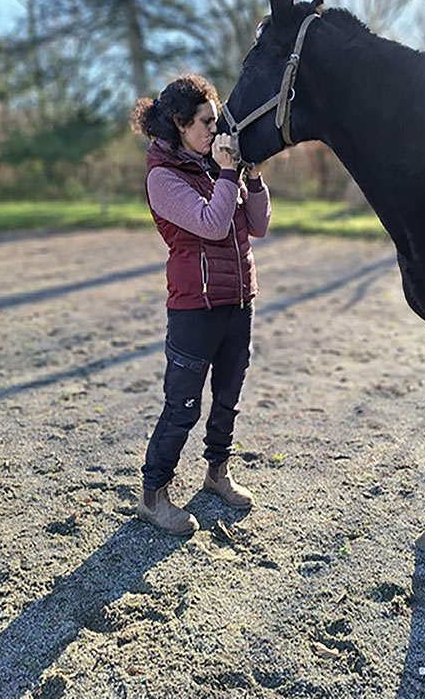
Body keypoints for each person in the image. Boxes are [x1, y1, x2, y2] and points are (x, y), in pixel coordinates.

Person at [130, 73, 271, 535]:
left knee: (228, 396)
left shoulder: (216, 165)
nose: (217, 129)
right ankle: (154, 495)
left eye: (216, 121)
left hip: (238, 300)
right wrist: (230, 173)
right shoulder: (163, 178)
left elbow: (258, 225)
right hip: (195, 308)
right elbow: (211, 224)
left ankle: (217, 474)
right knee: (183, 406)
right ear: (181, 124)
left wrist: (251, 173)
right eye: (207, 121)